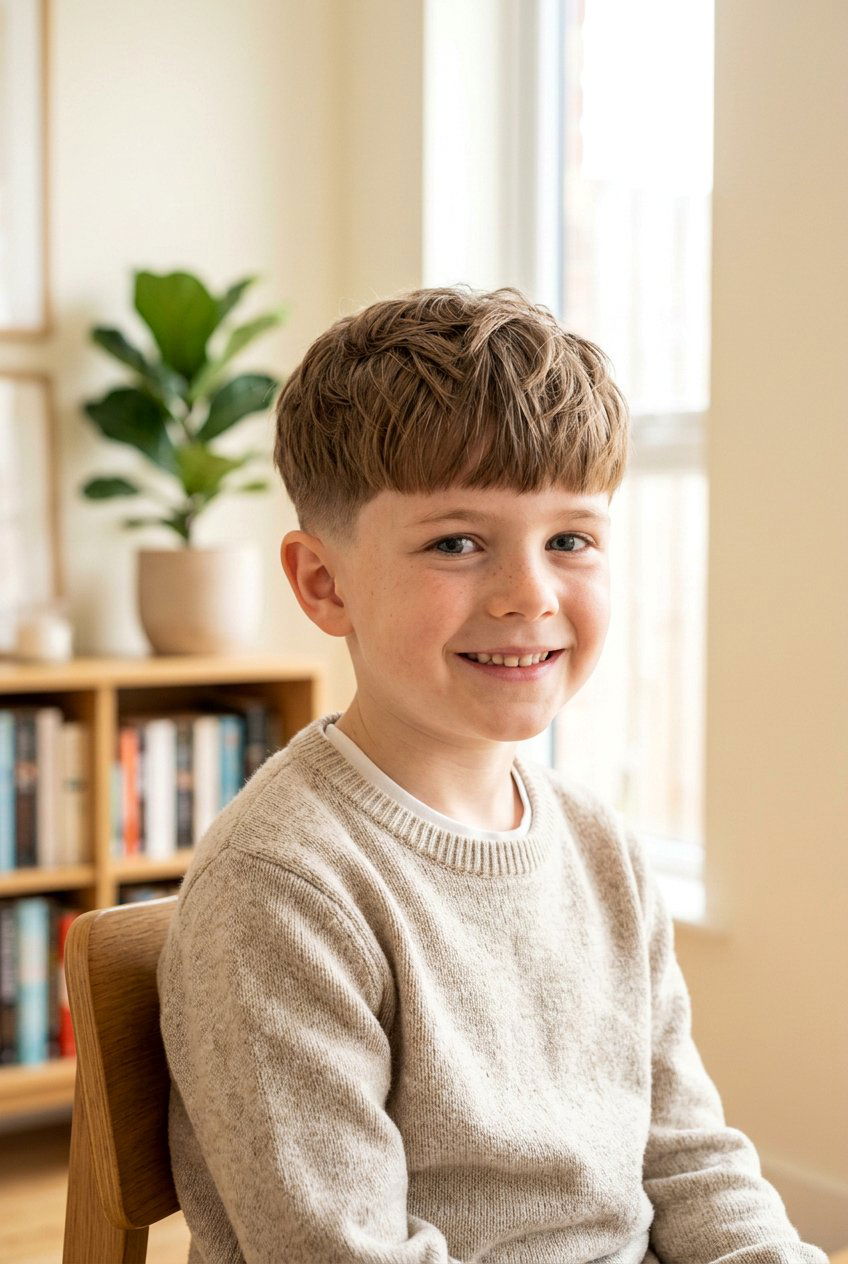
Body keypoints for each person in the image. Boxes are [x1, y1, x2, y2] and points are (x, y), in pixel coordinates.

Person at [157, 286, 828, 1263]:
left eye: (569, 539)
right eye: (456, 543)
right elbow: (340, 1250)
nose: (528, 594)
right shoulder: (281, 886)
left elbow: (687, 1159)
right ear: (322, 582)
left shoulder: (601, 848)